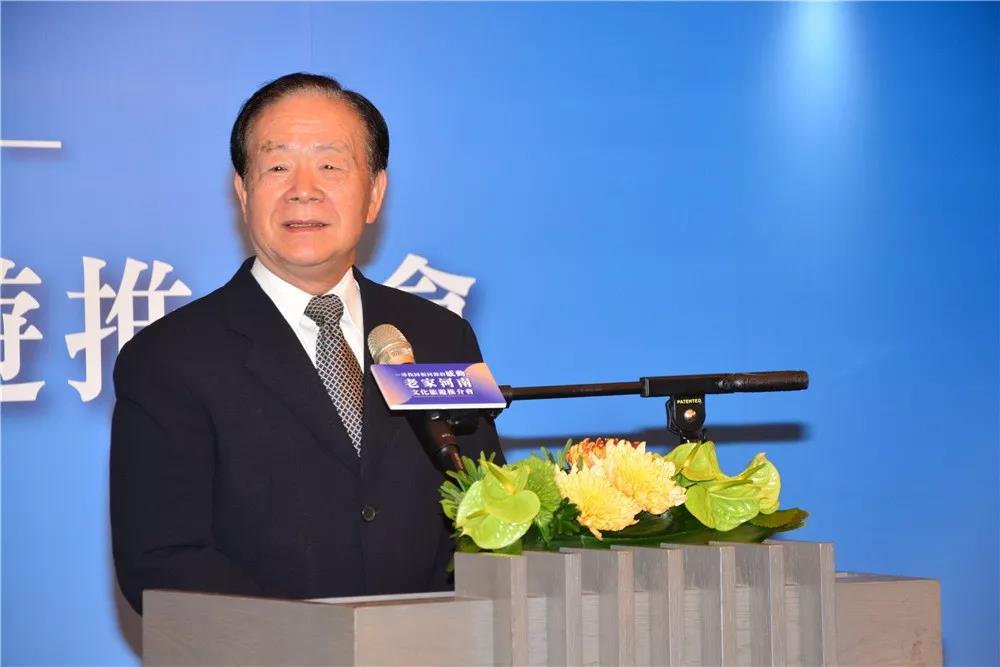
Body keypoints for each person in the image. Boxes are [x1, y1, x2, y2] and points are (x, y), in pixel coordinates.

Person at [110, 73, 504, 614]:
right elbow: (161, 559)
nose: (304, 189)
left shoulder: (440, 335)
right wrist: (314, 640)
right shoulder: (169, 358)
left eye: (330, 165)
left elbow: (485, 511)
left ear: (375, 193)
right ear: (243, 192)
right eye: (277, 167)